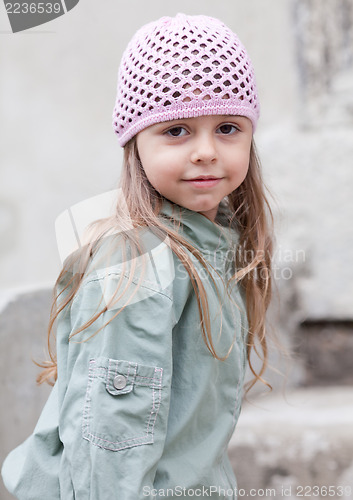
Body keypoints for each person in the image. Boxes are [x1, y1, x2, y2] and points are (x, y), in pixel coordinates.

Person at [1, 12, 274, 500]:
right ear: (134, 144)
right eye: (176, 131)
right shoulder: (138, 265)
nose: (206, 151)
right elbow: (111, 442)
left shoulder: (217, 240)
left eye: (228, 126)